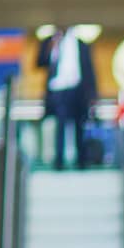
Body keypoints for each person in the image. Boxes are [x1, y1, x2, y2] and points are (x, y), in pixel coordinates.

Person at [36, 25, 97, 170]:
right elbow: (40, 62)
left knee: (79, 126)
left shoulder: (81, 44)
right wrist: (52, 47)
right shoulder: (51, 42)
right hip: (58, 91)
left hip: (77, 90)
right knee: (60, 126)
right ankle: (59, 162)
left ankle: (81, 161)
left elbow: (89, 70)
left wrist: (93, 95)